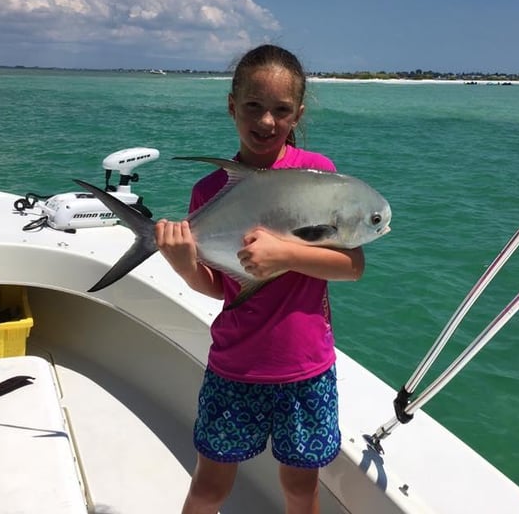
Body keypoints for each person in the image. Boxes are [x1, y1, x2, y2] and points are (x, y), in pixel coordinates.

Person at [156, 44, 365, 514]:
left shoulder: (319, 177)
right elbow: (218, 286)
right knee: (210, 486)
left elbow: (353, 267)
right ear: (232, 105)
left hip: (305, 367)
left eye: (281, 110)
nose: (266, 120)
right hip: (235, 366)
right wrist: (183, 263)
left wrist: (284, 254)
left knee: (299, 489)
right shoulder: (209, 189)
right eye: (254, 105)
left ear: (298, 115)